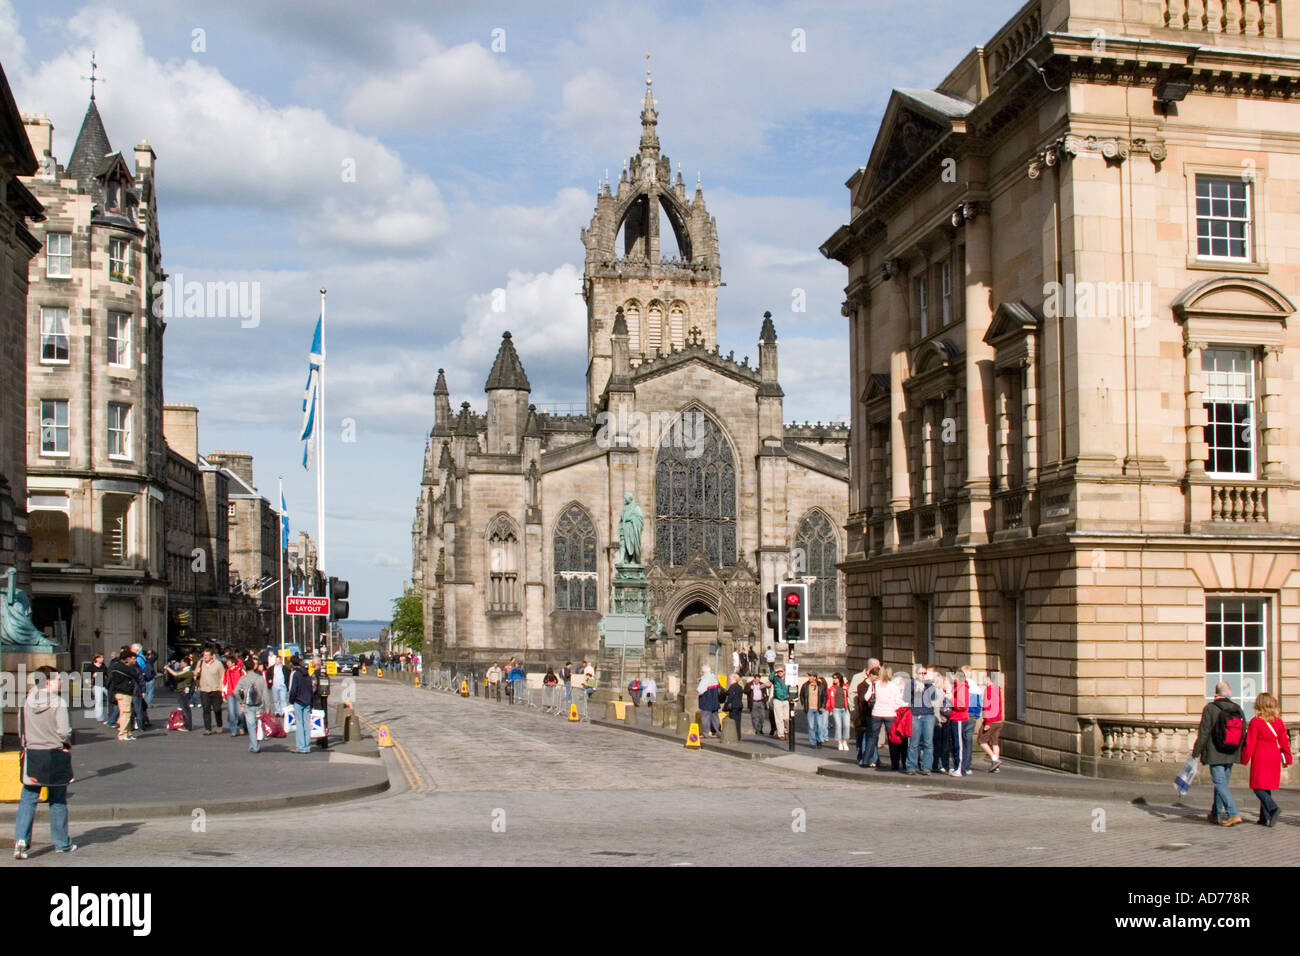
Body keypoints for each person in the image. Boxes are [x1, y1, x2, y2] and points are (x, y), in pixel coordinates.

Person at [14, 667, 76, 858]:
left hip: (33, 753)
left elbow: (20, 729)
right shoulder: (58, 702)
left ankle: (21, 841)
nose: (60, 683)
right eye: (58, 679)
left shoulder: (26, 701)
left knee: (28, 799)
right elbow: (64, 731)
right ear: (47, 681)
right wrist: (65, 742)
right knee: (57, 799)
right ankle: (61, 843)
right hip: (55, 753)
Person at [1191, 681, 1248, 825]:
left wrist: (1196, 752)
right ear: (1229, 693)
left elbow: (1203, 733)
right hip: (1231, 751)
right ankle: (1216, 813)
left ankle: (1234, 813)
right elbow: (1243, 731)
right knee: (1222, 784)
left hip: (1215, 752)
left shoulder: (1210, 708)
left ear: (1216, 693)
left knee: (1220, 783)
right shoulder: (1237, 708)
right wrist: (1239, 750)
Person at [1241, 692, 1291, 827]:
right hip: (1274, 756)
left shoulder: (1256, 722)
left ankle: (1273, 808)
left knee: (1257, 787)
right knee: (1266, 786)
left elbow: (1250, 743)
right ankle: (1264, 817)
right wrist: (1287, 757)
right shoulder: (1279, 722)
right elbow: (1285, 741)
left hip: (1261, 756)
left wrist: (1244, 758)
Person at [905, 667, 938, 775]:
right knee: (914, 743)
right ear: (916, 674)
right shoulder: (911, 684)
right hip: (915, 714)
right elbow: (906, 699)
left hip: (928, 715)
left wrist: (928, 686)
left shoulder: (930, 685)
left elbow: (933, 698)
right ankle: (911, 767)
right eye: (921, 673)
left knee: (928, 743)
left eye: (925, 673)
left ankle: (927, 767)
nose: (923, 675)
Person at [873, 667, 905, 771]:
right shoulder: (893, 685)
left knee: (873, 737)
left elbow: (868, 696)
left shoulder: (876, 684)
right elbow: (898, 700)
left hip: (877, 712)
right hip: (890, 713)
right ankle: (894, 763)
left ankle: (870, 760)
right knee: (892, 739)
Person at [107, 648, 139, 741]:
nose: (134, 660)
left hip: (119, 692)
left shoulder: (115, 666)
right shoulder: (123, 667)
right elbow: (135, 674)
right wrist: (131, 666)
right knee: (126, 713)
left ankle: (128, 733)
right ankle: (123, 734)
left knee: (126, 713)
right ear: (127, 658)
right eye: (132, 658)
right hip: (124, 692)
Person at [235, 659, 267, 753]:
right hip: (259, 704)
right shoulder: (260, 678)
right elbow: (265, 693)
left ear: (245, 667)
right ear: (254, 667)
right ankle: (255, 743)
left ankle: (254, 746)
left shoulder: (243, 679)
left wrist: (241, 701)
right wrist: (268, 706)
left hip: (248, 704)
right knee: (258, 724)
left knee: (251, 725)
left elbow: (236, 691)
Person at [948, 667, 973, 776]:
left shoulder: (962, 687)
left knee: (959, 745)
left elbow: (962, 705)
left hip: (959, 718)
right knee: (955, 744)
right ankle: (957, 766)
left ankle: (960, 768)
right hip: (954, 717)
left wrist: (950, 699)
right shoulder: (957, 686)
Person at [195, 647, 226, 734]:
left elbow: (223, 676)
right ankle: (208, 729)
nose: (205, 657)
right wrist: (196, 672)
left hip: (216, 690)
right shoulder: (200, 663)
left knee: (217, 709)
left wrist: (221, 688)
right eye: (204, 655)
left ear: (212, 656)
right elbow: (195, 675)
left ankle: (219, 725)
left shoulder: (218, 664)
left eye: (207, 655)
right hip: (204, 689)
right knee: (206, 709)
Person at [979, 672, 1005, 773]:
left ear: (989, 679)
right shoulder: (997, 689)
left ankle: (994, 759)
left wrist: (987, 723)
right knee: (995, 742)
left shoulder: (989, 690)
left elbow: (987, 706)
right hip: (999, 720)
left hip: (991, 720)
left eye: (984, 679)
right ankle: (996, 767)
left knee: (981, 741)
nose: (983, 681)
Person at [288, 654, 314, 754]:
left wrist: (291, 700)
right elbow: (311, 689)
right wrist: (311, 703)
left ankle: (300, 746)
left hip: (298, 701)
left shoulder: (296, 674)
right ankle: (307, 746)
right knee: (306, 724)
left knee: (299, 724)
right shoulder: (307, 674)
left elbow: (293, 690)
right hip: (307, 701)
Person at [854, 667, 879, 766]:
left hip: (875, 714)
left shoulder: (878, 685)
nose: (878, 679)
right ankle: (867, 758)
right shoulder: (862, 686)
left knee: (873, 737)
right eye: (876, 677)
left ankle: (874, 759)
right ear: (871, 675)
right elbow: (863, 701)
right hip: (865, 715)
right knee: (867, 737)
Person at [165, 654, 195, 732]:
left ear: (185, 663)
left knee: (185, 709)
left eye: (181, 662)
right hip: (182, 690)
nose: (180, 664)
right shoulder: (184, 670)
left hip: (184, 691)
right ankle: (186, 724)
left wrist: (168, 668)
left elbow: (176, 674)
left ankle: (187, 726)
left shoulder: (187, 671)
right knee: (184, 708)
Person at [799, 672, 828, 749]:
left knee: (819, 726)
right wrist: (803, 704)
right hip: (810, 708)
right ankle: (813, 742)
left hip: (818, 708)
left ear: (814, 677)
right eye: (809, 676)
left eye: (810, 676)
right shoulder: (805, 685)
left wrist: (823, 706)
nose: (809, 678)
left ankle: (819, 740)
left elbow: (824, 697)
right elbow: (801, 695)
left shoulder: (821, 686)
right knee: (811, 726)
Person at [222, 653, 246, 736]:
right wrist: (223, 695)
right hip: (230, 694)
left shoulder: (240, 671)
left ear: (233, 663)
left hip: (239, 694)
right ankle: (233, 729)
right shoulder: (226, 672)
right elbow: (224, 684)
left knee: (240, 713)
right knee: (231, 713)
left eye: (228, 662)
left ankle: (241, 726)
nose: (227, 663)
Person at [827, 672, 851, 751]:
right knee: (838, 725)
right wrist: (829, 709)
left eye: (836, 678)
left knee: (846, 725)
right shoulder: (832, 688)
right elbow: (829, 699)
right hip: (836, 709)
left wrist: (846, 691)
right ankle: (839, 742)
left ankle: (845, 741)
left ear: (839, 678)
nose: (834, 679)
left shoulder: (845, 686)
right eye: (833, 678)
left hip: (845, 709)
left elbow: (850, 695)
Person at [697, 665, 721, 738]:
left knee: (705, 718)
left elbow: (700, 690)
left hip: (706, 701)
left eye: (702, 671)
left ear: (703, 672)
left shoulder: (705, 678)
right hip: (714, 700)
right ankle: (717, 731)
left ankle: (705, 733)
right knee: (715, 717)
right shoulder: (714, 677)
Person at [770, 666, 791, 740]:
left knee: (786, 718)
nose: (779, 673)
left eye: (781, 671)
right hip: (777, 699)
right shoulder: (775, 679)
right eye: (778, 672)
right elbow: (770, 678)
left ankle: (786, 730)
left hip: (785, 699)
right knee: (779, 718)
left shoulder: (788, 679)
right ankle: (781, 734)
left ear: (784, 672)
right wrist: (774, 671)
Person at [747, 672, 770, 737]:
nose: (757, 680)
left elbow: (768, 689)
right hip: (753, 702)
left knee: (762, 716)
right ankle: (757, 729)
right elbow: (745, 691)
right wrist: (749, 688)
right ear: (754, 679)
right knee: (754, 717)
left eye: (758, 679)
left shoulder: (762, 685)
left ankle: (760, 728)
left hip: (761, 702)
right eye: (756, 679)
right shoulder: (749, 684)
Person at [88, 652, 108, 724]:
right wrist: (92, 676)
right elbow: (86, 676)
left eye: (102, 657)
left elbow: (107, 674)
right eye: (101, 657)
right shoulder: (91, 667)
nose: (102, 659)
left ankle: (110, 715)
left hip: (104, 684)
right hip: (96, 684)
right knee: (99, 701)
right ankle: (99, 717)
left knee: (111, 698)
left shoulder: (103, 666)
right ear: (96, 659)